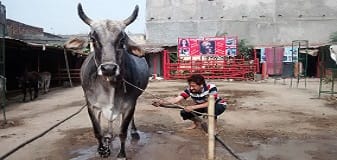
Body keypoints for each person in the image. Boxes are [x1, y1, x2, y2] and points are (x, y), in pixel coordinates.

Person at [153, 74, 227, 130]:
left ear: (201, 85)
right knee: (184, 112)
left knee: (212, 109)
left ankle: (214, 128)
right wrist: (162, 102)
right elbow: (176, 99)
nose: (191, 88)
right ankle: (196, 123)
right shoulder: (190, 90)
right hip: (201, 105)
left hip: (217, 104)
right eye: (190, 86)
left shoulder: (211, 87)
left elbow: (211, 103)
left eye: (194, 86)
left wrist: (192, 107)